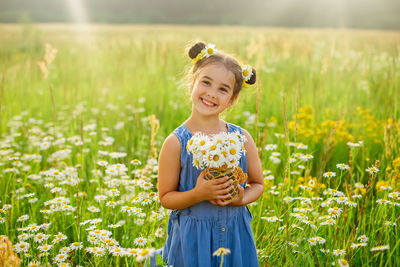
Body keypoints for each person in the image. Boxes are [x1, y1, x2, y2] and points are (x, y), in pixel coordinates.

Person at [154, 41, 264, 267]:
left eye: (223, 89)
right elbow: (166, 198)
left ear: (232, 99)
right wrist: (199, 193)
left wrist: (242, 197)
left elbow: (258, 184)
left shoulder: (241, 138)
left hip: (235, 237)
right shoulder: (176, 143)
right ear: (191, 84)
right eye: (206, 82)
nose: (212, 94)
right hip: (193, 240)